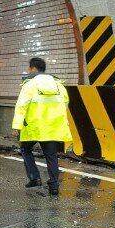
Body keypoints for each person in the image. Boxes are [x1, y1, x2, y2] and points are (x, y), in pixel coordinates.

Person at [12, 57, 72, 196]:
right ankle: (54, 186)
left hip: (34, 126)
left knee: (25, 149)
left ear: (33, 68)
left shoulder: (30, 85)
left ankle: (34, 177)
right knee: (51, 155)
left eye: (29, 68)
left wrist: (17, 125)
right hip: (52, 126)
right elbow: (65, 104)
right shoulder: (59, 85)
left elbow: (21, 106)